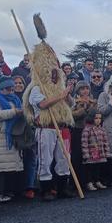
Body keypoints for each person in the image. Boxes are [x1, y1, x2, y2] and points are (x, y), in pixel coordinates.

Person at [23, 19, 76, 202]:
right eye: (51, 71)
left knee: (64, 159)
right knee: (45, 160)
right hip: (46, 128)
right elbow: (43, 104)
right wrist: (62, 95)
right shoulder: (36, 88)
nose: (54, 74)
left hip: (62, 127)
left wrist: (67, 95)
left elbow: (70, 104)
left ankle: (62, 188)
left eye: (56, 72)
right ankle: (46, 189)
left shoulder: (60, 87)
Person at [70, 81, 97, 190]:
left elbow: (95, 115)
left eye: (87, 88)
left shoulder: (93, 101)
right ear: (78, 90)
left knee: (90, 156)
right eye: (82, 88)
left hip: (90, 130)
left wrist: (90, 107)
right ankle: (76, 183)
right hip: (77, 130)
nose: (85, 90)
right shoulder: (73, 101)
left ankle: (89, 180)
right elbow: (71, 116)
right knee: (77, 157)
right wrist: (83, 109)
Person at [81, 112, 110, 188]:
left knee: (97, 167)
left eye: (99, 118)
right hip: (91, 153)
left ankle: (97, 181)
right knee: (90, 168)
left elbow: (105, 141)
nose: (98, 120)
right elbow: (84, 142)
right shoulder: (87, 129)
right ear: (91, 119)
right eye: (96, 118)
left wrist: (106, 152)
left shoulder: (102, 129)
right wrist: (86, 154)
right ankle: (89, 182)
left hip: (100, 152)